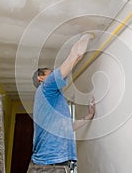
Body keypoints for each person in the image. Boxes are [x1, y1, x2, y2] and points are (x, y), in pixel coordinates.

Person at [28, 33, 96, 173]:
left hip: (48, 164)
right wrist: (87, 36)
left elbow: (68, 127)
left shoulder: (49, 100)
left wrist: (89, 116)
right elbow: (75, 56)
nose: (54, 74)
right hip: (51, 165)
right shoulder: (46, 87)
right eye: (50, 73)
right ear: (41, 78)